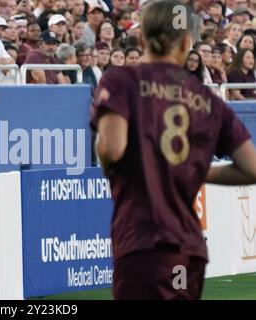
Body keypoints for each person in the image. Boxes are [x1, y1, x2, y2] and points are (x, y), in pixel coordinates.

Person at [91, 0, 256, 300]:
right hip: (189, 251)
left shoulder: (122, 80)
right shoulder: (208, 99)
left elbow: (112, 150)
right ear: (186, 43)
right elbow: (251, 167)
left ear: (141, 38)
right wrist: (193, 170)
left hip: (143, 241)